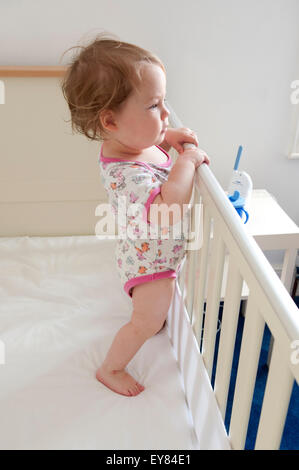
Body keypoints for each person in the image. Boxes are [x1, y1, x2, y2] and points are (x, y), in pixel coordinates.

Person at [62, 35, 210, 397]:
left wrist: (167, 135)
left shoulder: (129, 142)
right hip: (150, 264)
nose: (166, 115)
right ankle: (110, 368)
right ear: (110, 122)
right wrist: (187, 162)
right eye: (155, 106)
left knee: (154, 315)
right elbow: (168, 208)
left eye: (164, 104)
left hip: (149, 251)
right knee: (146, 321)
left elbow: (147, 144)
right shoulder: (126, 173)